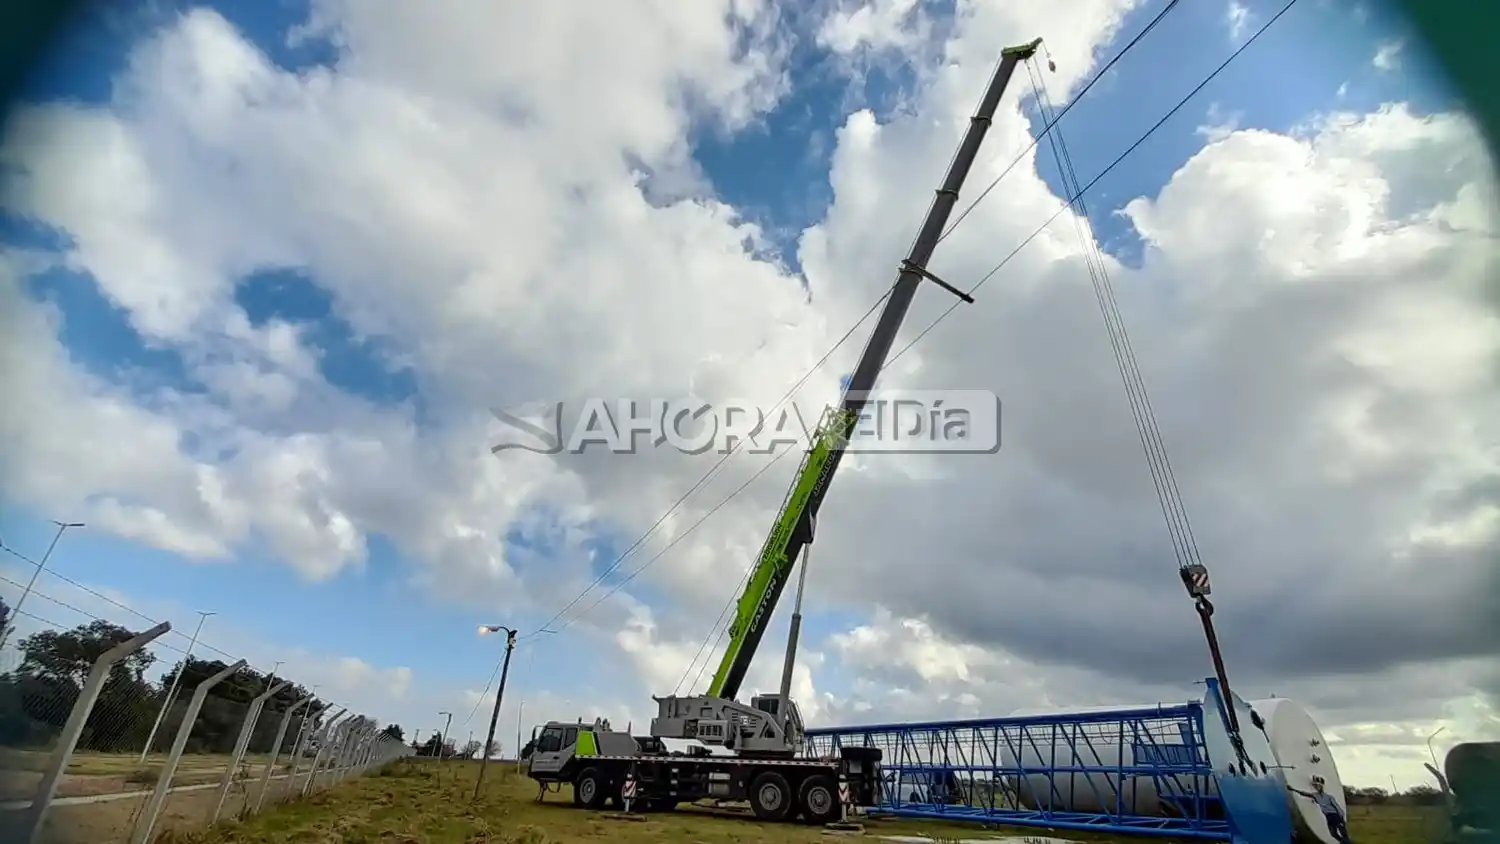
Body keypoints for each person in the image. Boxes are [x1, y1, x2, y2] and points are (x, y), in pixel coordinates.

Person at [1287, 775, 1352, 844]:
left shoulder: (1329, 797)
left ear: (1321, 787)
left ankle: (1346, 842)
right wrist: (1293, 789)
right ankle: (1344, 842)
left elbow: (1336, 806)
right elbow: (1304, 794)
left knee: (1343, 834)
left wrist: (1342, 818)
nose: (1317, 787)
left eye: (1318, 786)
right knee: (1333, 834)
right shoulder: (1316, 796)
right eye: (1316, 786)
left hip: (1335, 816)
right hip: (1328, 817)